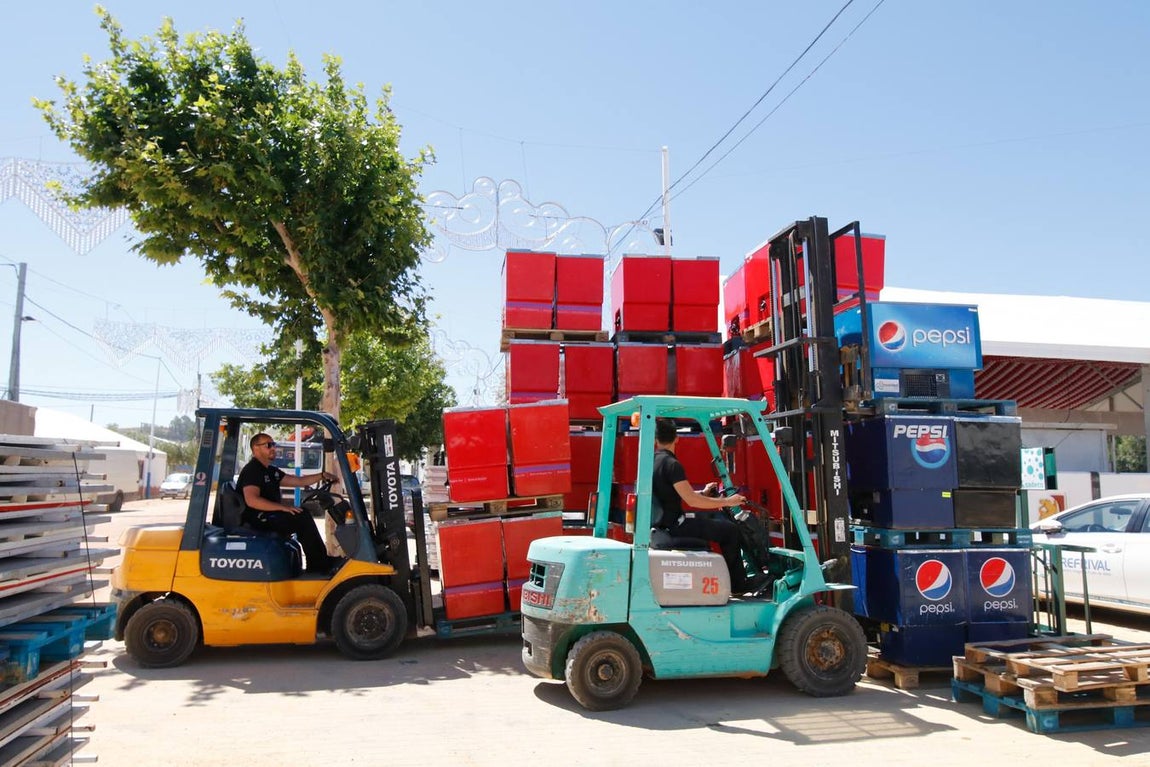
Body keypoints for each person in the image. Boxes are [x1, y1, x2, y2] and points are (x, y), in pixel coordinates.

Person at [651, 418, 769, 594]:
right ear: (677, 438)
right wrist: (728, 501)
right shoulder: (672, 465)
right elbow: (692, 502)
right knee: (730, 531)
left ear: (655, 440)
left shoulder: (653, 462)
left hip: (665, 524)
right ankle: (738, 585)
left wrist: (704, 494)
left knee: (716, 520)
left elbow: (680, 495)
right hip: (675, 526)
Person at [236, 432, 336, 574]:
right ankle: (319, 565)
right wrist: (283, 507)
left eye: (273, 445)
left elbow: (298, 481)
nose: (273, 448)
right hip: (258, 519)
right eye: (268, 445)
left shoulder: (270, 471)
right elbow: (252, 500)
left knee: (302, 513)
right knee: (301, 517)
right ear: (256, 448)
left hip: (268, 516)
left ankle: (320, 562)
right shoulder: (252, 470)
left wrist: (322, 476)